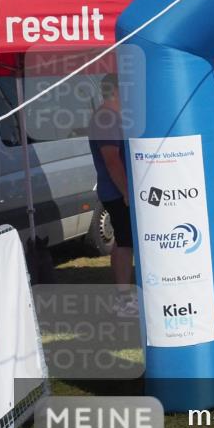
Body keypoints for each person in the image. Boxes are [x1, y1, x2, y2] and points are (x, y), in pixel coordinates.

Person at [88, 73, 136, 315]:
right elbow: (111, 161)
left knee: (123, 242)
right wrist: (127, 192)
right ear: (117, 90)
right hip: (117, 192)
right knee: (126, 244)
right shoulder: (106, 117)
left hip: (117, 191)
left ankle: (124, 297)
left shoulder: (112, 116)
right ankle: (123, 300)